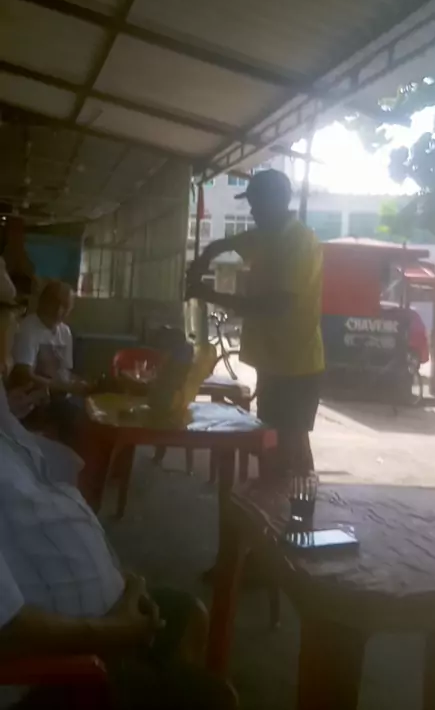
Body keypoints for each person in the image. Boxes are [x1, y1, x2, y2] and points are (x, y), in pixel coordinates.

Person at [0, 259, 235, 710]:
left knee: (188, 615)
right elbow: (6, 631)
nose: (15, 319)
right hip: (63, 669)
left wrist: (122, 581)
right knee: (217, 698)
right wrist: (114, 632)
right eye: (11, 307)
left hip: (103, 614)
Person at [187, 169, 324, 477]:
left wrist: (209, 293)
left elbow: (274, 305)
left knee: (291, 444)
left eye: (257, 204)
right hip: (272, 362)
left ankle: (299, 500)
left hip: (297, 364)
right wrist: (203, 258)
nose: (252, 212)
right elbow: (221, 245)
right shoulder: (264, 237)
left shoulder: (299, 242)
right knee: (272, 441)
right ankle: (276, 497)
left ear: (278, 201)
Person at [9, 280, 90, 442]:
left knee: (90, 411)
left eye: (65, 306)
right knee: (72, 415)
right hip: (31, 398)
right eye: (55, 303)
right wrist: (64, 387)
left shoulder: (65, 332)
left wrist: (82, 385)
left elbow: (65, 373)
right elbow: (23, 375)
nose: (59, 311)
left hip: (58, 395)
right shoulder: (28, 328)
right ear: (43, 302)